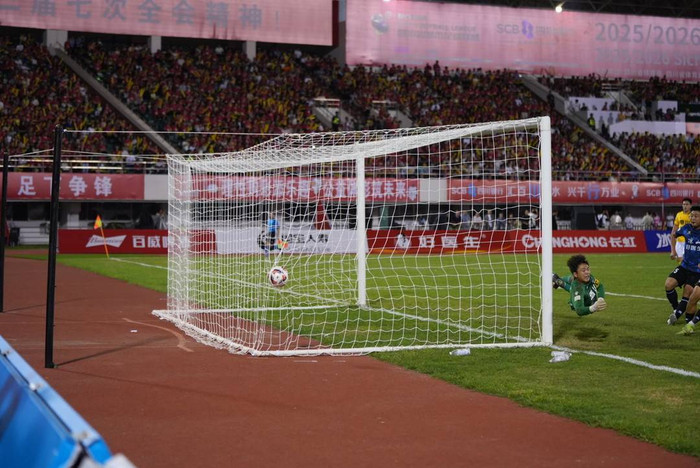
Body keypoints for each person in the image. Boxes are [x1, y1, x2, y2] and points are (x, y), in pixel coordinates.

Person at [666, 205, 700, 326]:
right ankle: (677, 308)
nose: (693, 218)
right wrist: (673, 251)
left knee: (688, 292)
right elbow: (673, 234)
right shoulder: (686, 228)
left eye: (696, 216)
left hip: (696, 271)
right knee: (668, 284)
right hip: (684, 266)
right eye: (692, 216)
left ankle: (680, 317)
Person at [670, 198, 692, 263]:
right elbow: (673, 232)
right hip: (679, 243)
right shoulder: (679, 215)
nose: (685, 206)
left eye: (687, 204)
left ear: (690, 206)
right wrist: (673, 250)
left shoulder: (693, 216)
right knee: (682, 263)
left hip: (689, 242)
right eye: (684, 204)